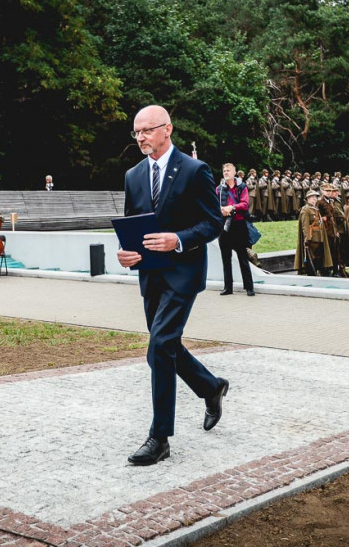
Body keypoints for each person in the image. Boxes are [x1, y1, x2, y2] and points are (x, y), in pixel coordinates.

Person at [116, 105, 229, 467]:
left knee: (160, 345)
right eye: (136, 132)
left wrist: (177, 239)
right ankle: (211, 387)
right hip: (149, 274)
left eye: (147, 131)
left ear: (168, 129)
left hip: (183, 274)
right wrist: (126, 253)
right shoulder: (133, 175)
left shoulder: (195, 171)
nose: (141, 138)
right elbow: (133, 226)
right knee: (162, 348)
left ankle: (159, 437)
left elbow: (213, 224)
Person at [216, 162, 255, 296]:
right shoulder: (219, 189)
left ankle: (249, 287)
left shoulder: (241, 187)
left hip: (239, 225)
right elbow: (214, 206)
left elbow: (245, 204)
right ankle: (228, 287)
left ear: (234, 172)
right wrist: (221, 210)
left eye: (228, 170)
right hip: (224, 225)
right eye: (224, 170)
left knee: (243, 257)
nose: (226, 172)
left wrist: (231, 207)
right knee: (225, 258)